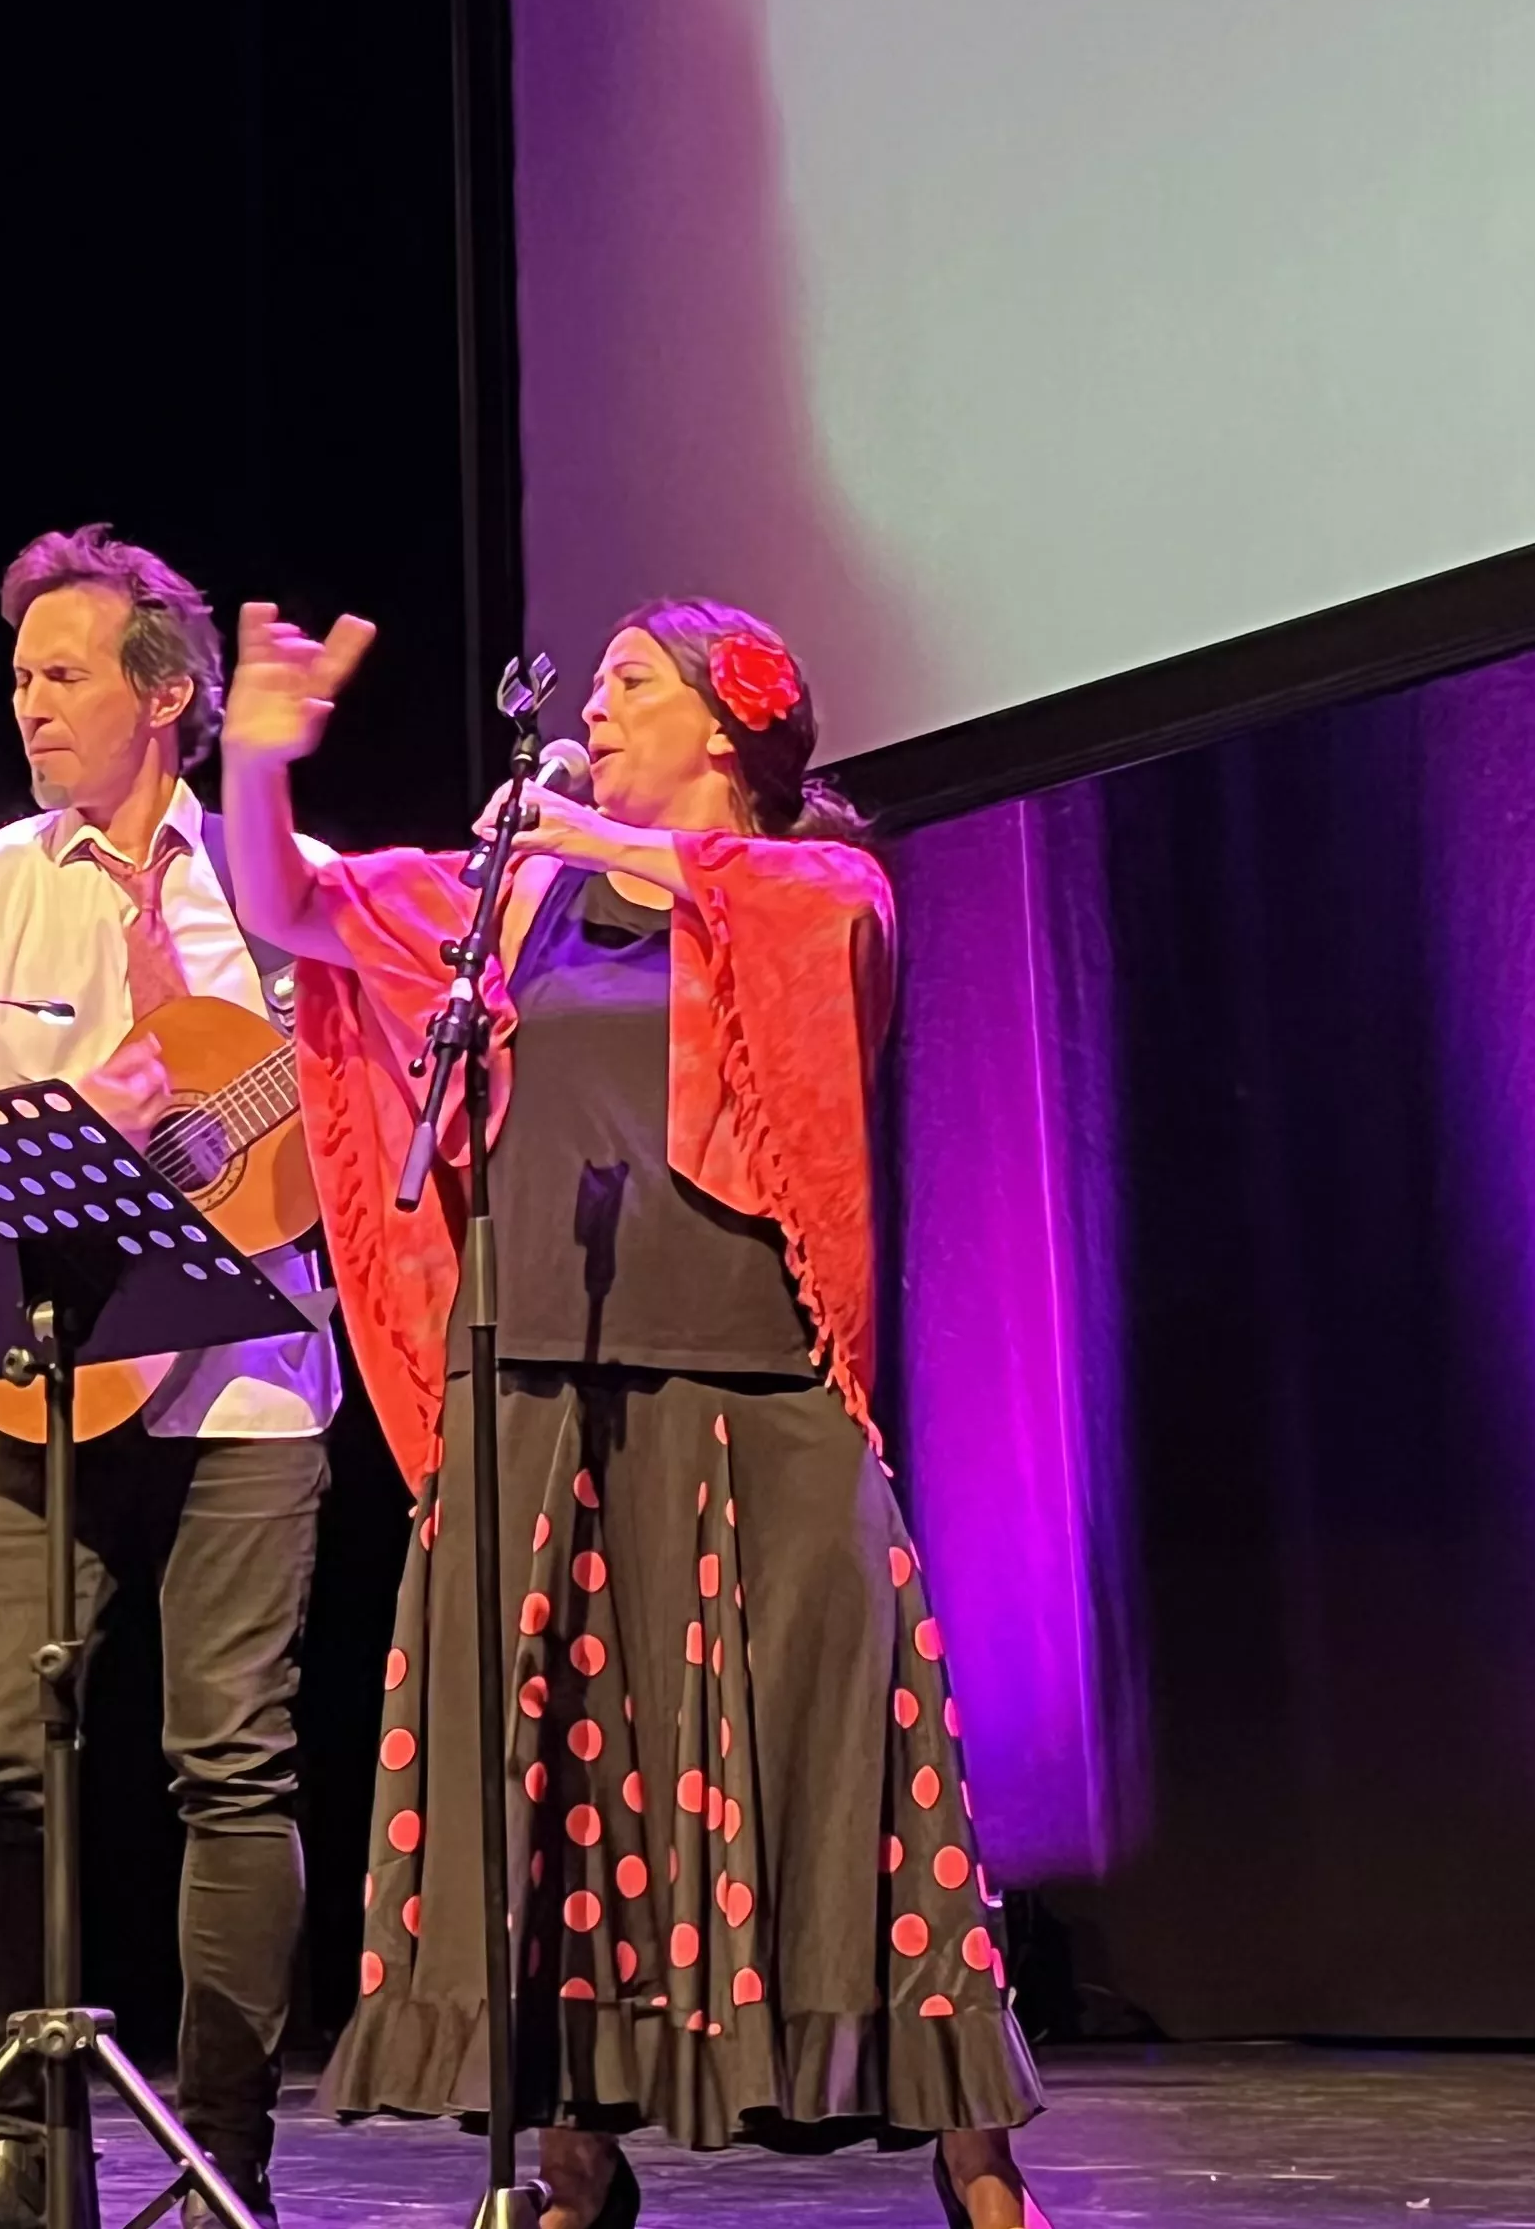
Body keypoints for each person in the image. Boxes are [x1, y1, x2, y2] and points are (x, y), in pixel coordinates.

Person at [214, 596, 1054, 2229]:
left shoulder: (816, 886)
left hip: (755, 1376)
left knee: (850, 1746)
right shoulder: (513, 908)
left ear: (731, 727)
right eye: (591, 688)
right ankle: (572, 2155)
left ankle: (975, 2153)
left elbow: (791, 927)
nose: (594, 710)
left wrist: (577, 831)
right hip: (534, 1375)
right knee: (556, 1771)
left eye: (630, 683)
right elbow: (294, 906)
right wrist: (256, 764)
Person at [0, 525, 336, 2227]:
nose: (25, 703)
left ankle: (219, 2152)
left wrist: (246, 1117)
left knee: (230, 1761)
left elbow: (350, 1102)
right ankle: (25, 2137)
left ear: (166, 694)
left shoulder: (278, 886)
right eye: (18, 674)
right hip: (31, 1384)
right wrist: (14, 1126)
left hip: (246, 1384)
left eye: (61, 674)